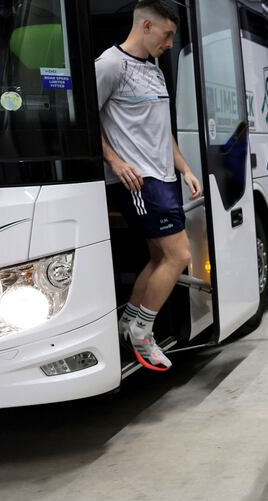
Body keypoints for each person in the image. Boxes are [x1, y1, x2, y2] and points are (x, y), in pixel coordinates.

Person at [96, 0, 201, 371]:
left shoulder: (154, 70)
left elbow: (161, 130)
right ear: (144, 27)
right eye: (167, 34)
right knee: (179, 256)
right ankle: (142, 332)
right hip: (139, 181)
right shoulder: (110, 65)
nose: (170, 43)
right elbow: (83, 123)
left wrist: (186, 169)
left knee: (159, 257)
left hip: (165, 177)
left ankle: (128, 323)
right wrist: (115, 161)